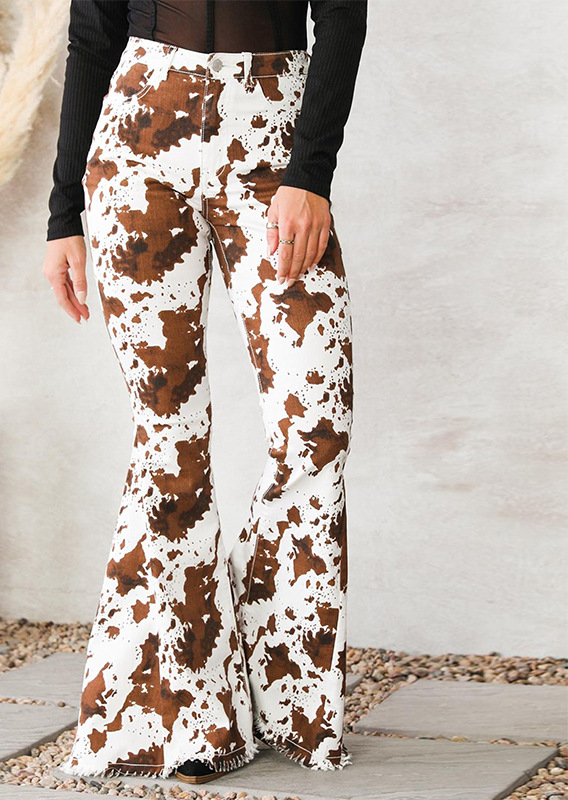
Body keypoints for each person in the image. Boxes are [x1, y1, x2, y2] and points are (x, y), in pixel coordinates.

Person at [42, 0, 368, 786]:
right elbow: (92, 34)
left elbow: (343, 16)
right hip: (137, 139)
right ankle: (187, 715)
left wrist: (310, 173)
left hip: (272, 134)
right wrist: (62, 213)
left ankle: (288, 698)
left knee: (315, 425)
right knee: (168, 434)